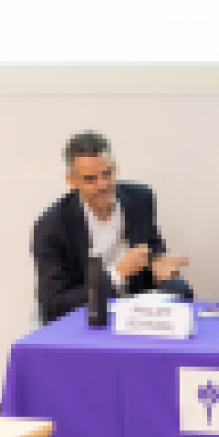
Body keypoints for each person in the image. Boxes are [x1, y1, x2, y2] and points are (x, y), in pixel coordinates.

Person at [33, 131, 194, 324]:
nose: (103, 185)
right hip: (88, 313)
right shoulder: (51, 227)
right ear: (71, 180)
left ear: (116, 168)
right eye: (90, 179)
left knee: (181, 290)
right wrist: (117, 273)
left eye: (107, 174)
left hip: (137, 306)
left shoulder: (141, 199)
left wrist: (159, 263)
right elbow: (54, 303)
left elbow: (152, 244)